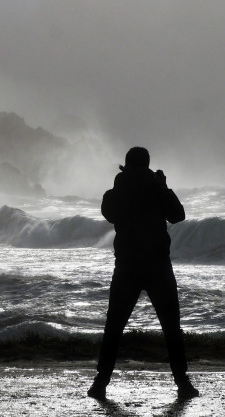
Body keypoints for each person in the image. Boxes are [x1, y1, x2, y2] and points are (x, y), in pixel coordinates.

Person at [87, 146, 199, 400]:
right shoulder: (155, 188)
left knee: (114, 327)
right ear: (148, 165)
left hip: (126, 265)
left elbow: (108, 213)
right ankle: (182, 384)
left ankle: (100, 383)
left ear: (126, 166)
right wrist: (162, 186)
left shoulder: (117, 191)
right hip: (157, 265)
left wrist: (120, 184)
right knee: (171, 327)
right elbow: (178, 215)